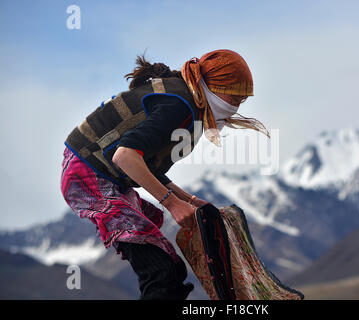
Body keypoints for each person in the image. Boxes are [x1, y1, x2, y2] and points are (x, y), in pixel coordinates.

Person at [60, 49, 270, 300]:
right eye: (235, 97)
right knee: (160, 273)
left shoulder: (184, 100)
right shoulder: (178, 106)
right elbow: (125, 157)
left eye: (242, 100)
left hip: (100, 175)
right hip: (88, 177)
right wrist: (171, 203)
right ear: (213, 86)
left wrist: (189, 200)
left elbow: (144, 162)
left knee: (170, 271)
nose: (237, 106)